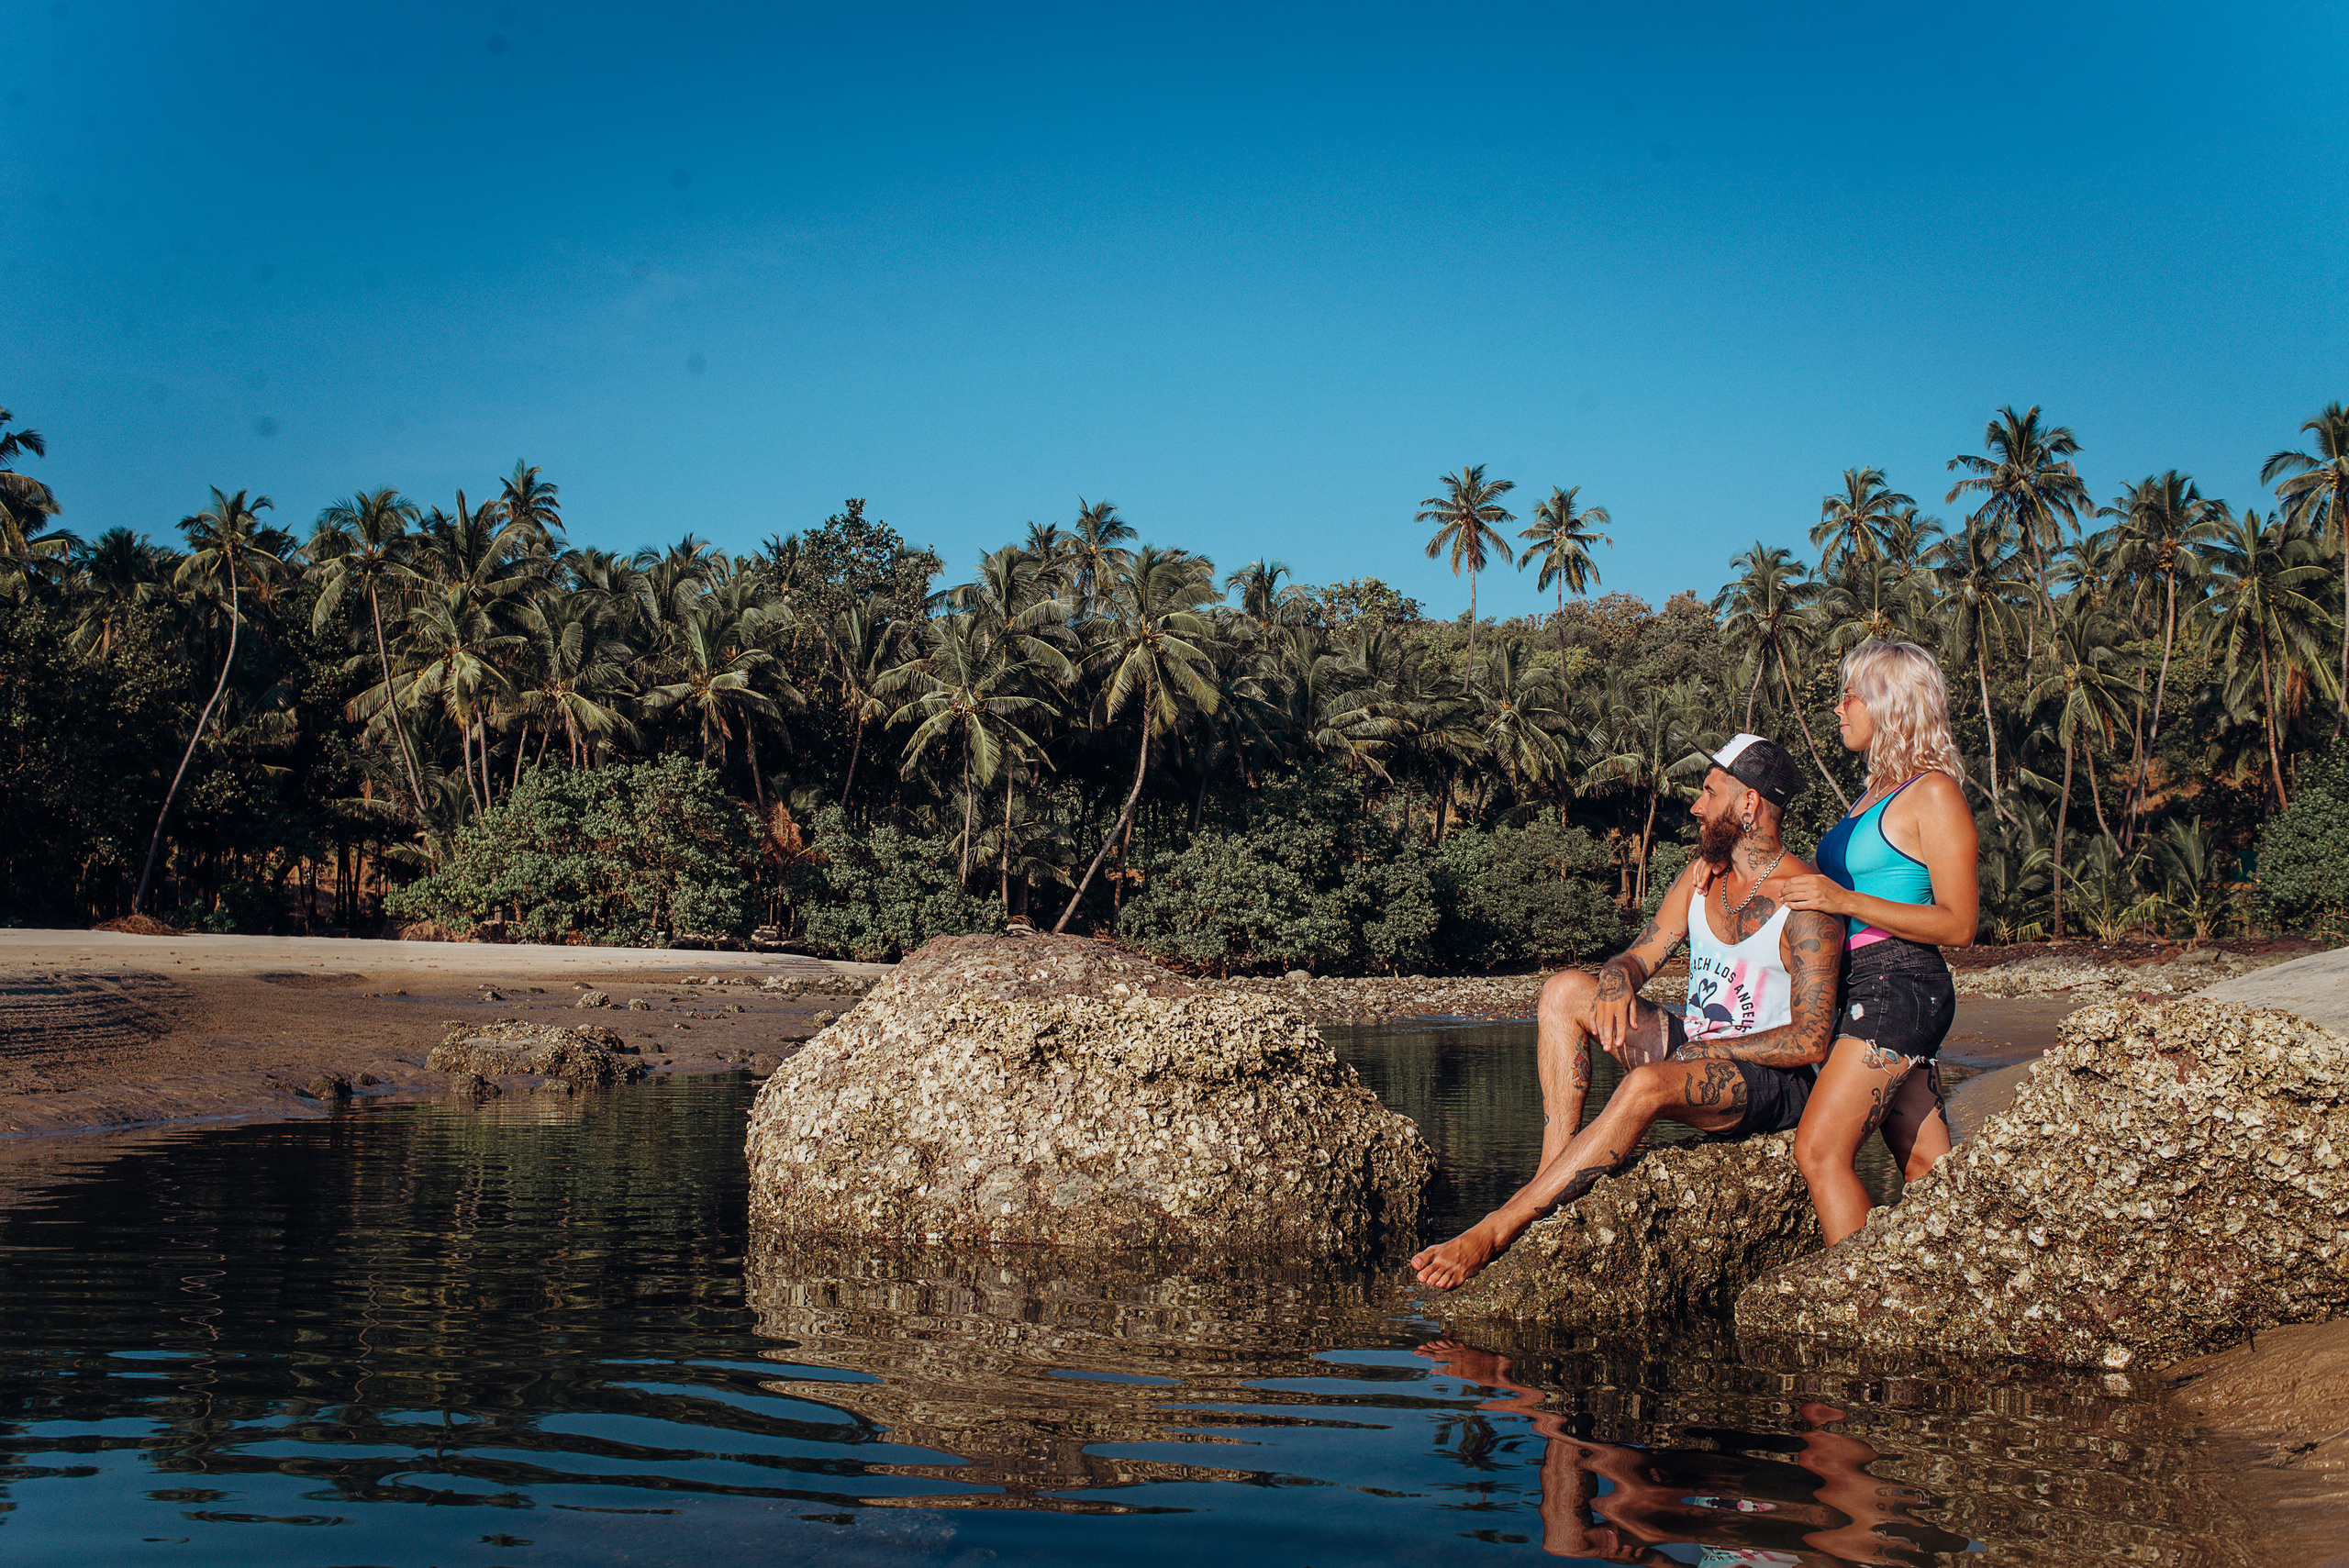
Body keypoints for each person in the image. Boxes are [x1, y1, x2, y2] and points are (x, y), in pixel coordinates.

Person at [1411, 734, 1843, 1292]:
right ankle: (1551, 1177)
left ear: (1749, 804)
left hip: (1772, 1081)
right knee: (1565, 990)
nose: (1695, 806)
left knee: (1643, 1085)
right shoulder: (1700, 880)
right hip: (1697, 1045)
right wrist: (1617, 980)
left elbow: (1812, 1040)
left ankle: (1497, 1228)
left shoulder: (1804, 902)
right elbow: (1639, 956)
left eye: (1709, 793)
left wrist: (1708, 1050)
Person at [1778, 639, 1979, 1247]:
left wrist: (1843, 901)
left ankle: (1857, 1304)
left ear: (1890, 703)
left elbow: (1959, 925)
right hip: (1858, 986)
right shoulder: (1869, 799)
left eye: (1851, 696)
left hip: (1899, 981)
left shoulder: (1933, 793)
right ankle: (1968, 1286)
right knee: (1928, 1169)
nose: (1838, 709)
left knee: (1818, 1150)